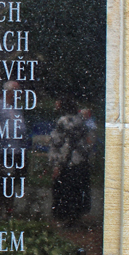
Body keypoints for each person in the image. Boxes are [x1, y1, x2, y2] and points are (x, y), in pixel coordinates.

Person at [49, 95, 92, 226]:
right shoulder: (80, 120)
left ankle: (65, 219)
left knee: (65, 190)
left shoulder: (63, 121)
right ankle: (75, 217)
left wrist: (57, 165)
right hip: (81, 160)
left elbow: (60, 143)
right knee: (77, 190)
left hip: (68, 161)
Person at [0, 80, 27, 220]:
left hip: (17, 150)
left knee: (13, 181)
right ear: (9, 92)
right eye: (17, 91)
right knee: (2, 181)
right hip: (3, 150)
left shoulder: (17, 107)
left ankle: (9, 211)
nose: (20, 94)